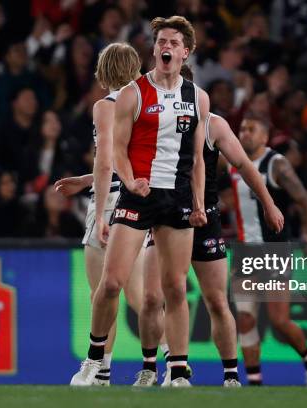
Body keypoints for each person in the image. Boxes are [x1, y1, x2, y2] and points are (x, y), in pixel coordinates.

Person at [70, 15, 210, 387]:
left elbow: (197, 158)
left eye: (173, 42)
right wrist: (130, 181)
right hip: (134, 195)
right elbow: (117, 151)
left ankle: (171, 369)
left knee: (168, 289)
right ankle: (97, 361)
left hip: (172, 198)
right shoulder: (134, 92)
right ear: (153, 49)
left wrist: (197, 202)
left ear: (186, 51)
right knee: (115, 285)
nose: (165, 47)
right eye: (160, 41)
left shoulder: (196, 97)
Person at [134, 74, 284, 386]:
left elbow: (243, 165)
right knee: (151, 297)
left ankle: (230, 375)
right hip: (165, 215)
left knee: (216, 300)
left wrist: (269, 203)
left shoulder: (213, 124)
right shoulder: (152, 120)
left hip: (204, 220)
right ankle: (153, 368)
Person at [55, 43, 145, 386]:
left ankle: (97, 368)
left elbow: (107, 161)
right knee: (140, 296)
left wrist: (104, 212)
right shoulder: (145, 107)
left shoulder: (106, 106)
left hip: (111, 203)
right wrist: (83, 179)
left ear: (104, 70)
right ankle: (173, 364)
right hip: (145, 201)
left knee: (102, 294)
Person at [228, 114, 307, 387]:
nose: (244, 133)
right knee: (245, 319)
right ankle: (255, 386)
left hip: (274, 250)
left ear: (264, 137)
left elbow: (306, 201)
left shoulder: (276, 164)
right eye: (242, 128)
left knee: (279, 321)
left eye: (251, 129)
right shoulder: (231, 160)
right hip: (245, 251)